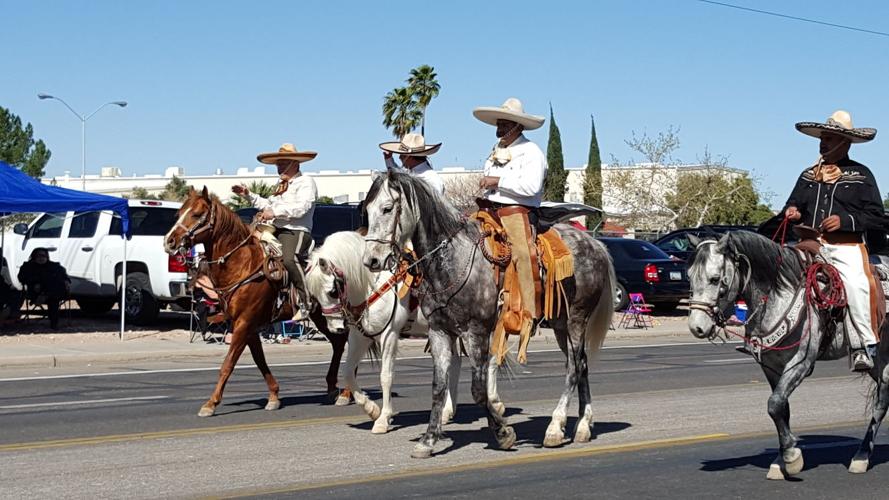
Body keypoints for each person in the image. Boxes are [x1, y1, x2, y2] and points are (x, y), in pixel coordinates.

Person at [782, 110, 883, 372]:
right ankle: (771, 336)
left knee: (857, 285)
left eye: (829, 138)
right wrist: (792, 212)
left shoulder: (861, 175)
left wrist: (845, 221)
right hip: (809, 243)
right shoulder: (808, 175)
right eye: (822, 138)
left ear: (845, 143)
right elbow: (794, 203)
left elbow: (875, 217)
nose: (823, 143)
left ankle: (864, 345)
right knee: (779, 274)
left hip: (845, 247)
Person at [473, 97, 547, 329]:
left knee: (524, 255)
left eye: (505, 123)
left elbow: (532, 187)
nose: (500, 127)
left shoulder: (531, 151)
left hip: (518, 214)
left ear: (518, 125)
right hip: (489, 211)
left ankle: (529, 312)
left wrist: (498, 180)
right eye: (499, 123)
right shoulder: (496, 151)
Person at [231, 143, 318, 307]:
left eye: (283, 164)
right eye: (278, 165)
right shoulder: (280, 186)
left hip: (296, 231)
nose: (279, 168)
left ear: (296, 164)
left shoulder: (306, 182)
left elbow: (302, 208)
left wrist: (275, 213)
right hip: (275, 230)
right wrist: (248, 195)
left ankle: (307, 299)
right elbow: (267, 204)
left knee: (289, 259)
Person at [17, 248, 70, 329]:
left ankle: (46, 295)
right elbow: (21, 278)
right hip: (36, 292)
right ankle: (46, 295)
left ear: (47, 256)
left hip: (52, 293)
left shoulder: (54, 266)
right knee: (53, 296)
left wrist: (66, 281)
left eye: (43, 255)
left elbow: (64, 276)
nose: (41, 258)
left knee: (54, 295)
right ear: (34, 256)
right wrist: (34, 283)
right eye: (39, 256)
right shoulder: (28, 267)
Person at [380, 133, 445, 194]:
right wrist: (388, 158)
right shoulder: (411, 173)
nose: (400, 157)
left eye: (402, 155)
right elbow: (396, 174)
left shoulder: (432, 179)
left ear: (409, 157)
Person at [0, 255, 22, 324]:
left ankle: (11, 314)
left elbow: (12, 285)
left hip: (5, 292)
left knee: (16, 292)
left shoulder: (4, 270)